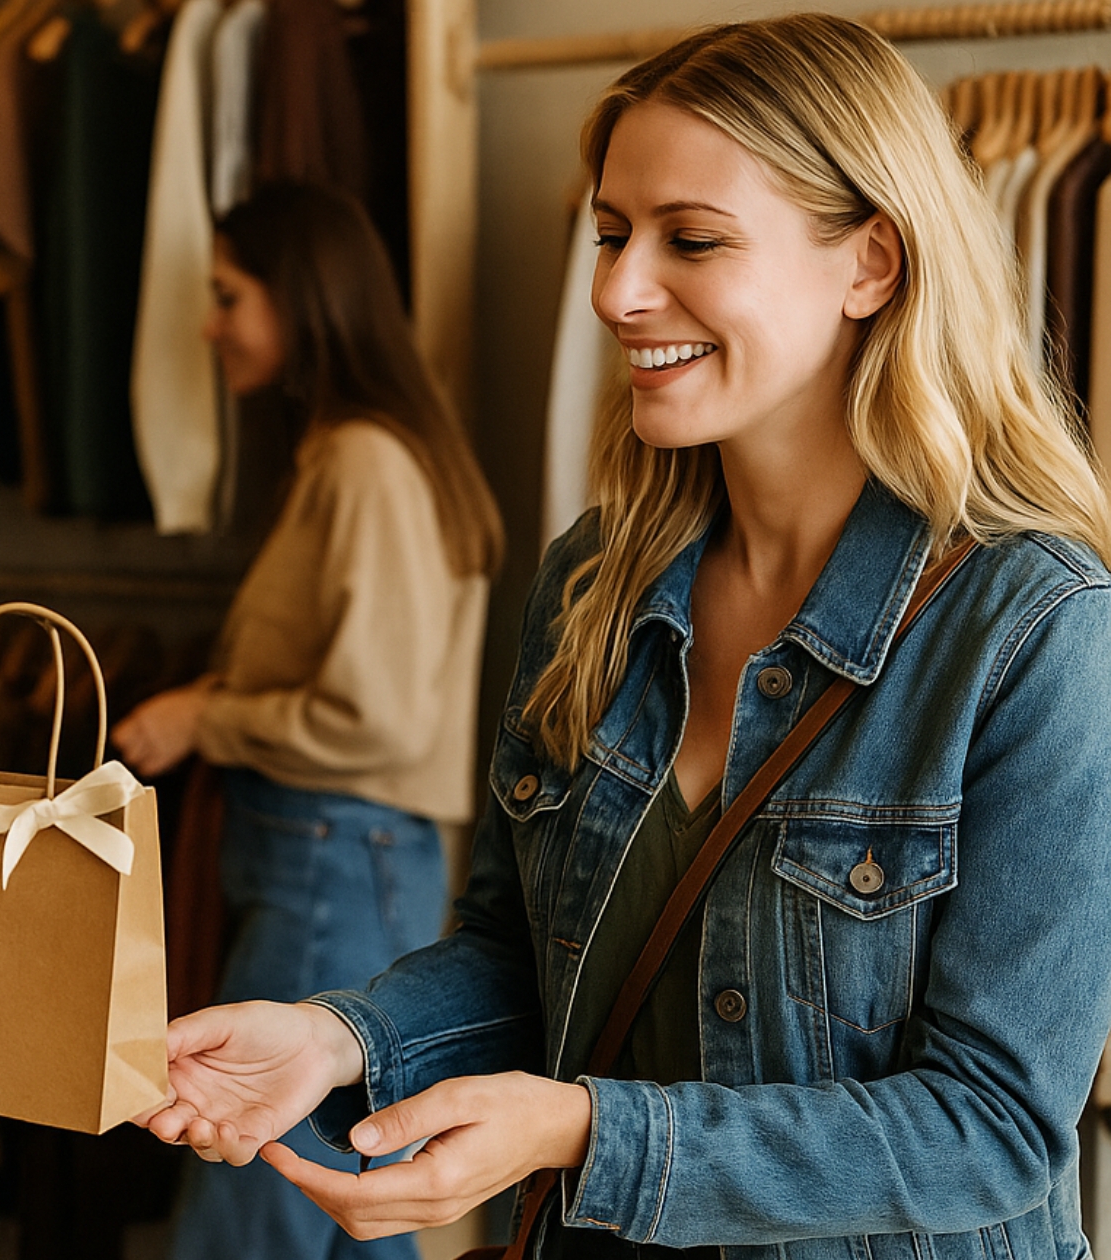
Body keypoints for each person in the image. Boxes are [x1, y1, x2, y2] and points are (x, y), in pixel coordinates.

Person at [140, 15, 1111, 1260]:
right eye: (608, 236)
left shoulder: (1030, 630)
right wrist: (338, 1039)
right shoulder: (594, 581)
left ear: (869, 262)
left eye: (688, 241)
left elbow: (989, 1130)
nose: (613, 291)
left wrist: (585, 1133)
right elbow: (519, 957)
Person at [110, 180, 505, 1260]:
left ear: (302, 297)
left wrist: (207, 716)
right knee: (350, 1210)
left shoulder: (366, 462)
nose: (209, 323)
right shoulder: (355, 454)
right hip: (340, 855)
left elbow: (372, 716)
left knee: (254, 1199)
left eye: (228, 295)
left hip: (332, 853)